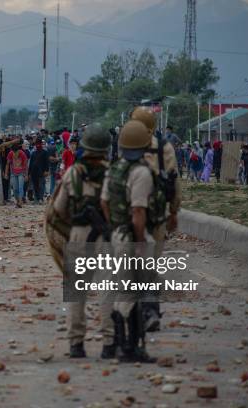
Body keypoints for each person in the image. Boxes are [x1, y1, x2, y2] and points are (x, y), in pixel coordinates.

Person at [52, 123, 115, 359]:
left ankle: (76, 344)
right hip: (107, 238)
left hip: (78, 235)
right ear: (107, 148)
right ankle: (109, 343)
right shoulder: (115, 173)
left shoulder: (73, 173)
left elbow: (58, 210)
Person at [101, 120, 160, 363]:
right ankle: (130, 347)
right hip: (132, 237)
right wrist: (138, 242)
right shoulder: (141, 172)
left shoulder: (114, 169)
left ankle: (124, 344)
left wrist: (115, 226)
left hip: (116, 235)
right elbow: (138, 212)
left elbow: (104, 202)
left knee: (124, 289)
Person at [130, 107, 181, 332]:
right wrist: (174, 212)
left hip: (131, 214)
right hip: (158, 216)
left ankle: (137, 312)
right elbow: (174, 182)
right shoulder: (164, 148)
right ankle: (149, 310)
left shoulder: (126, 145)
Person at [5, 142, 28, 208]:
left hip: (21, 173)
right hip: (13, 173)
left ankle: (20, 202)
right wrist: (6, 173)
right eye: (14, 152)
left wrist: (26, 175)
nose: (15, 154)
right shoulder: (10, 154)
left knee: (20, 188)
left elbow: (26, 165)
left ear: (18, 150)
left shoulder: (22, 154)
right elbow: (7, 164)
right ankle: (18, 201)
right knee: (15, 189)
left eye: (16, 152)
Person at [28, 139, 50, 204]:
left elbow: (47, 162)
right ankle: (36, 199)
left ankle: (40, 198)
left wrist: (47, 170)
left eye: (39, 144)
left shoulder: (45, 152)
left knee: (41, 185)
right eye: (36, 144)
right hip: (33, 172)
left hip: (42, 172)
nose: (38, 145)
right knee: (35, 186)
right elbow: (31, 164)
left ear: (41, 144)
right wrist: (29, 173)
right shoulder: (33, 153)